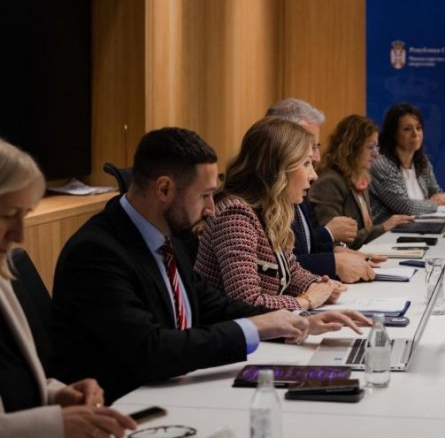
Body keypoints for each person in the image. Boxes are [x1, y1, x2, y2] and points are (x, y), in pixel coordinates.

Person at [52, 128, 369, 403]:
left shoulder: (167, 235)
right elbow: (150, 349)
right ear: (164, 189)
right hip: (125, 406)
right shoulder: (97, 253)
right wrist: (259, 326)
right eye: (204, 195)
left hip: (175, 389)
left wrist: (291, 321)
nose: (211, 209)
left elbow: (212, 305)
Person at [0, 139, 136, 438]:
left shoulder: (2, 278)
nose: (20, 235)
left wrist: (58, 395)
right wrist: (56, 423)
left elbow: (12, 387)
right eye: (8, 215)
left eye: (24, 215)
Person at [194, 118, 348, 311]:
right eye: (306, 163)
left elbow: (290, 270)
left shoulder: (270, 209)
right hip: (232, 328)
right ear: (279, 168)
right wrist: (306, 301)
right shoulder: (235, 215)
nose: (314, 175)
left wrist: (319, 284)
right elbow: (247, 301)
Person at [265, 99, 381, 282]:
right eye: (310, 148)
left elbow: (306, 245)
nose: (317, 158)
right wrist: (334, 262)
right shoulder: (254, 204)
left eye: (316, 147)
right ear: (281, 143)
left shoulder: (296, 189)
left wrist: (337, 252)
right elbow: (278, 268)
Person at [308, 115, 414, 249]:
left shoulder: (360, 177)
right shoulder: (329, 182)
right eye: (370, 147)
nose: (376, 154)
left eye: (376, 147)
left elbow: (363, 231)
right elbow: (336, 241)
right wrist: (384, 227)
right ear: (352, 148)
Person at [369, 102, 445, 224]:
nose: (415, 134)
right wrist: (433, 204)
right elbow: (405, 208)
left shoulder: (423, 162)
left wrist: (438, 199)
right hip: (389, 232)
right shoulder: (382, 165)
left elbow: (436, 192)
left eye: (418, 128)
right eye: (407, 129)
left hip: (418, 226)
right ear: (393, 134)